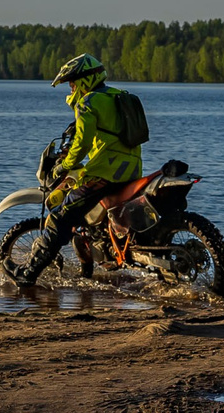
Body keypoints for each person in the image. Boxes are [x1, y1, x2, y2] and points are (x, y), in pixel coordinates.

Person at [13, 53, 143, 290]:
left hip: (105, 173)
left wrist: (64, 165)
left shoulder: (89, 102)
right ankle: (89, 269)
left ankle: (27, 275)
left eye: (72, 83)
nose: (71, 89)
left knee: (59, 219)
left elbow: (82, 143)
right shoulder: (120, 96)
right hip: (132, 171)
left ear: (84, 80)